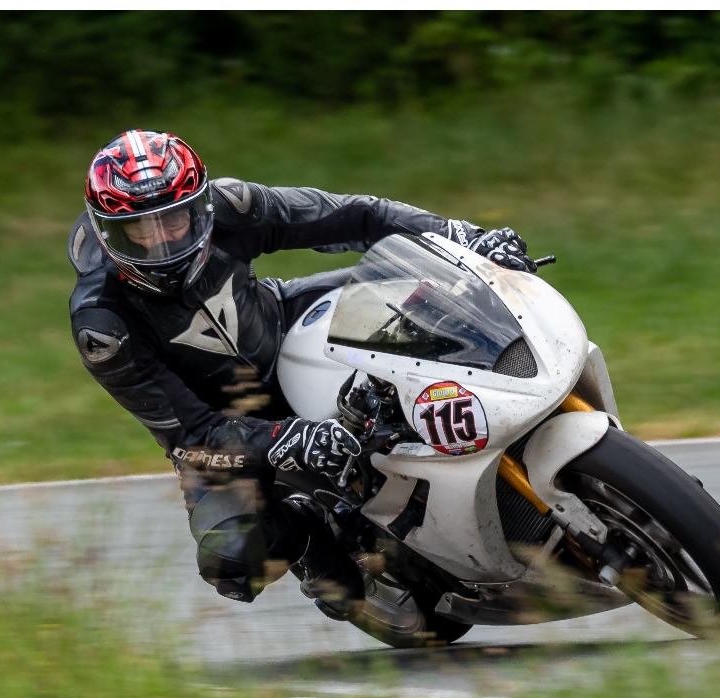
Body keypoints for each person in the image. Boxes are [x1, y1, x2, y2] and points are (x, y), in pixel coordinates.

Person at [68, 129, 538, 621]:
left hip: (284, 322)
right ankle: (312, 536)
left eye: (174, 219)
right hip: (220, 421)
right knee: (232, 560)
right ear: (109, 233)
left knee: (436, 289)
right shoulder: (102, 325)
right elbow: (189, 433)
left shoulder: (232, 206)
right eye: (140, 229)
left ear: (201, 208)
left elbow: (357, 215)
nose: (163, 241)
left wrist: (461, 238)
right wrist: (283, 438)